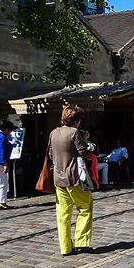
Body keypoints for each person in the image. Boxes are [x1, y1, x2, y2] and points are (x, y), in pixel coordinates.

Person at [48, 105, 93, 256]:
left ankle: (65, 248)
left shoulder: (54, 132)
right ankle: (81, 242)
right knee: (85, 208)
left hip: (58, 178)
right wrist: (85, 140)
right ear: (76, 121)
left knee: (63, 214)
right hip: (74, 177)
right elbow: (83, 152)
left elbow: (50, 154)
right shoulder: (74, 132)